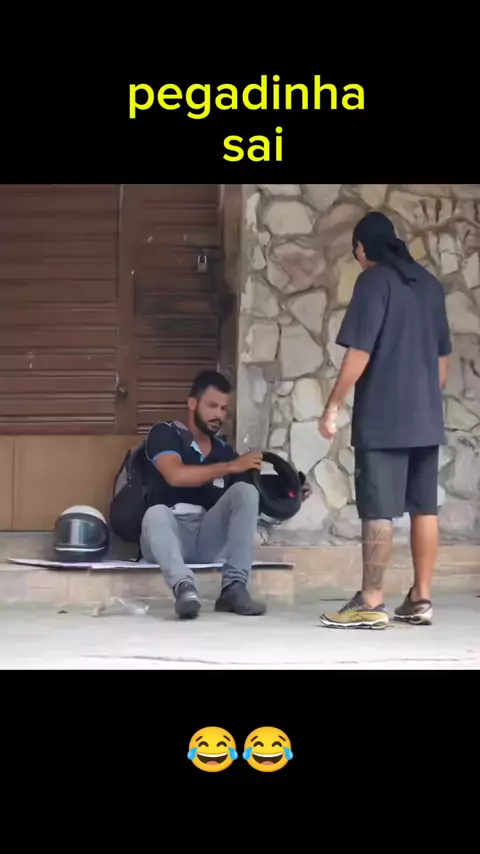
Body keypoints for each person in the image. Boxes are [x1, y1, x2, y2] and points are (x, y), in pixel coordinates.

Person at [317, 211, 451, 630]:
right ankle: (421, 599)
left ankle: (371, 600)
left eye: (355, 253)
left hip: (383, 417)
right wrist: (423, 401)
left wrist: (333, 405)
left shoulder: (373, 282)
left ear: (362, 249)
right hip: (426, 418)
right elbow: (442, 364)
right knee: (424, 508)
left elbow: (359, 352)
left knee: (378, 508)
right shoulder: (430, 286)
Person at [140, 370, 266, 620]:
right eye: (212, 406)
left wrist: (289, 496)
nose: (219, 414)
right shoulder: (165, 433)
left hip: (205, 536)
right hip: (166, 535)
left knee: (246, 491)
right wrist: (230, 467)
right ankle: (184, 588)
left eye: (224, 408)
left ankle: (234, 587)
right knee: (155, 513)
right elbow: (175, 475)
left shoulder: (224, 452)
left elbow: (246, 505)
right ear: (192, 403)